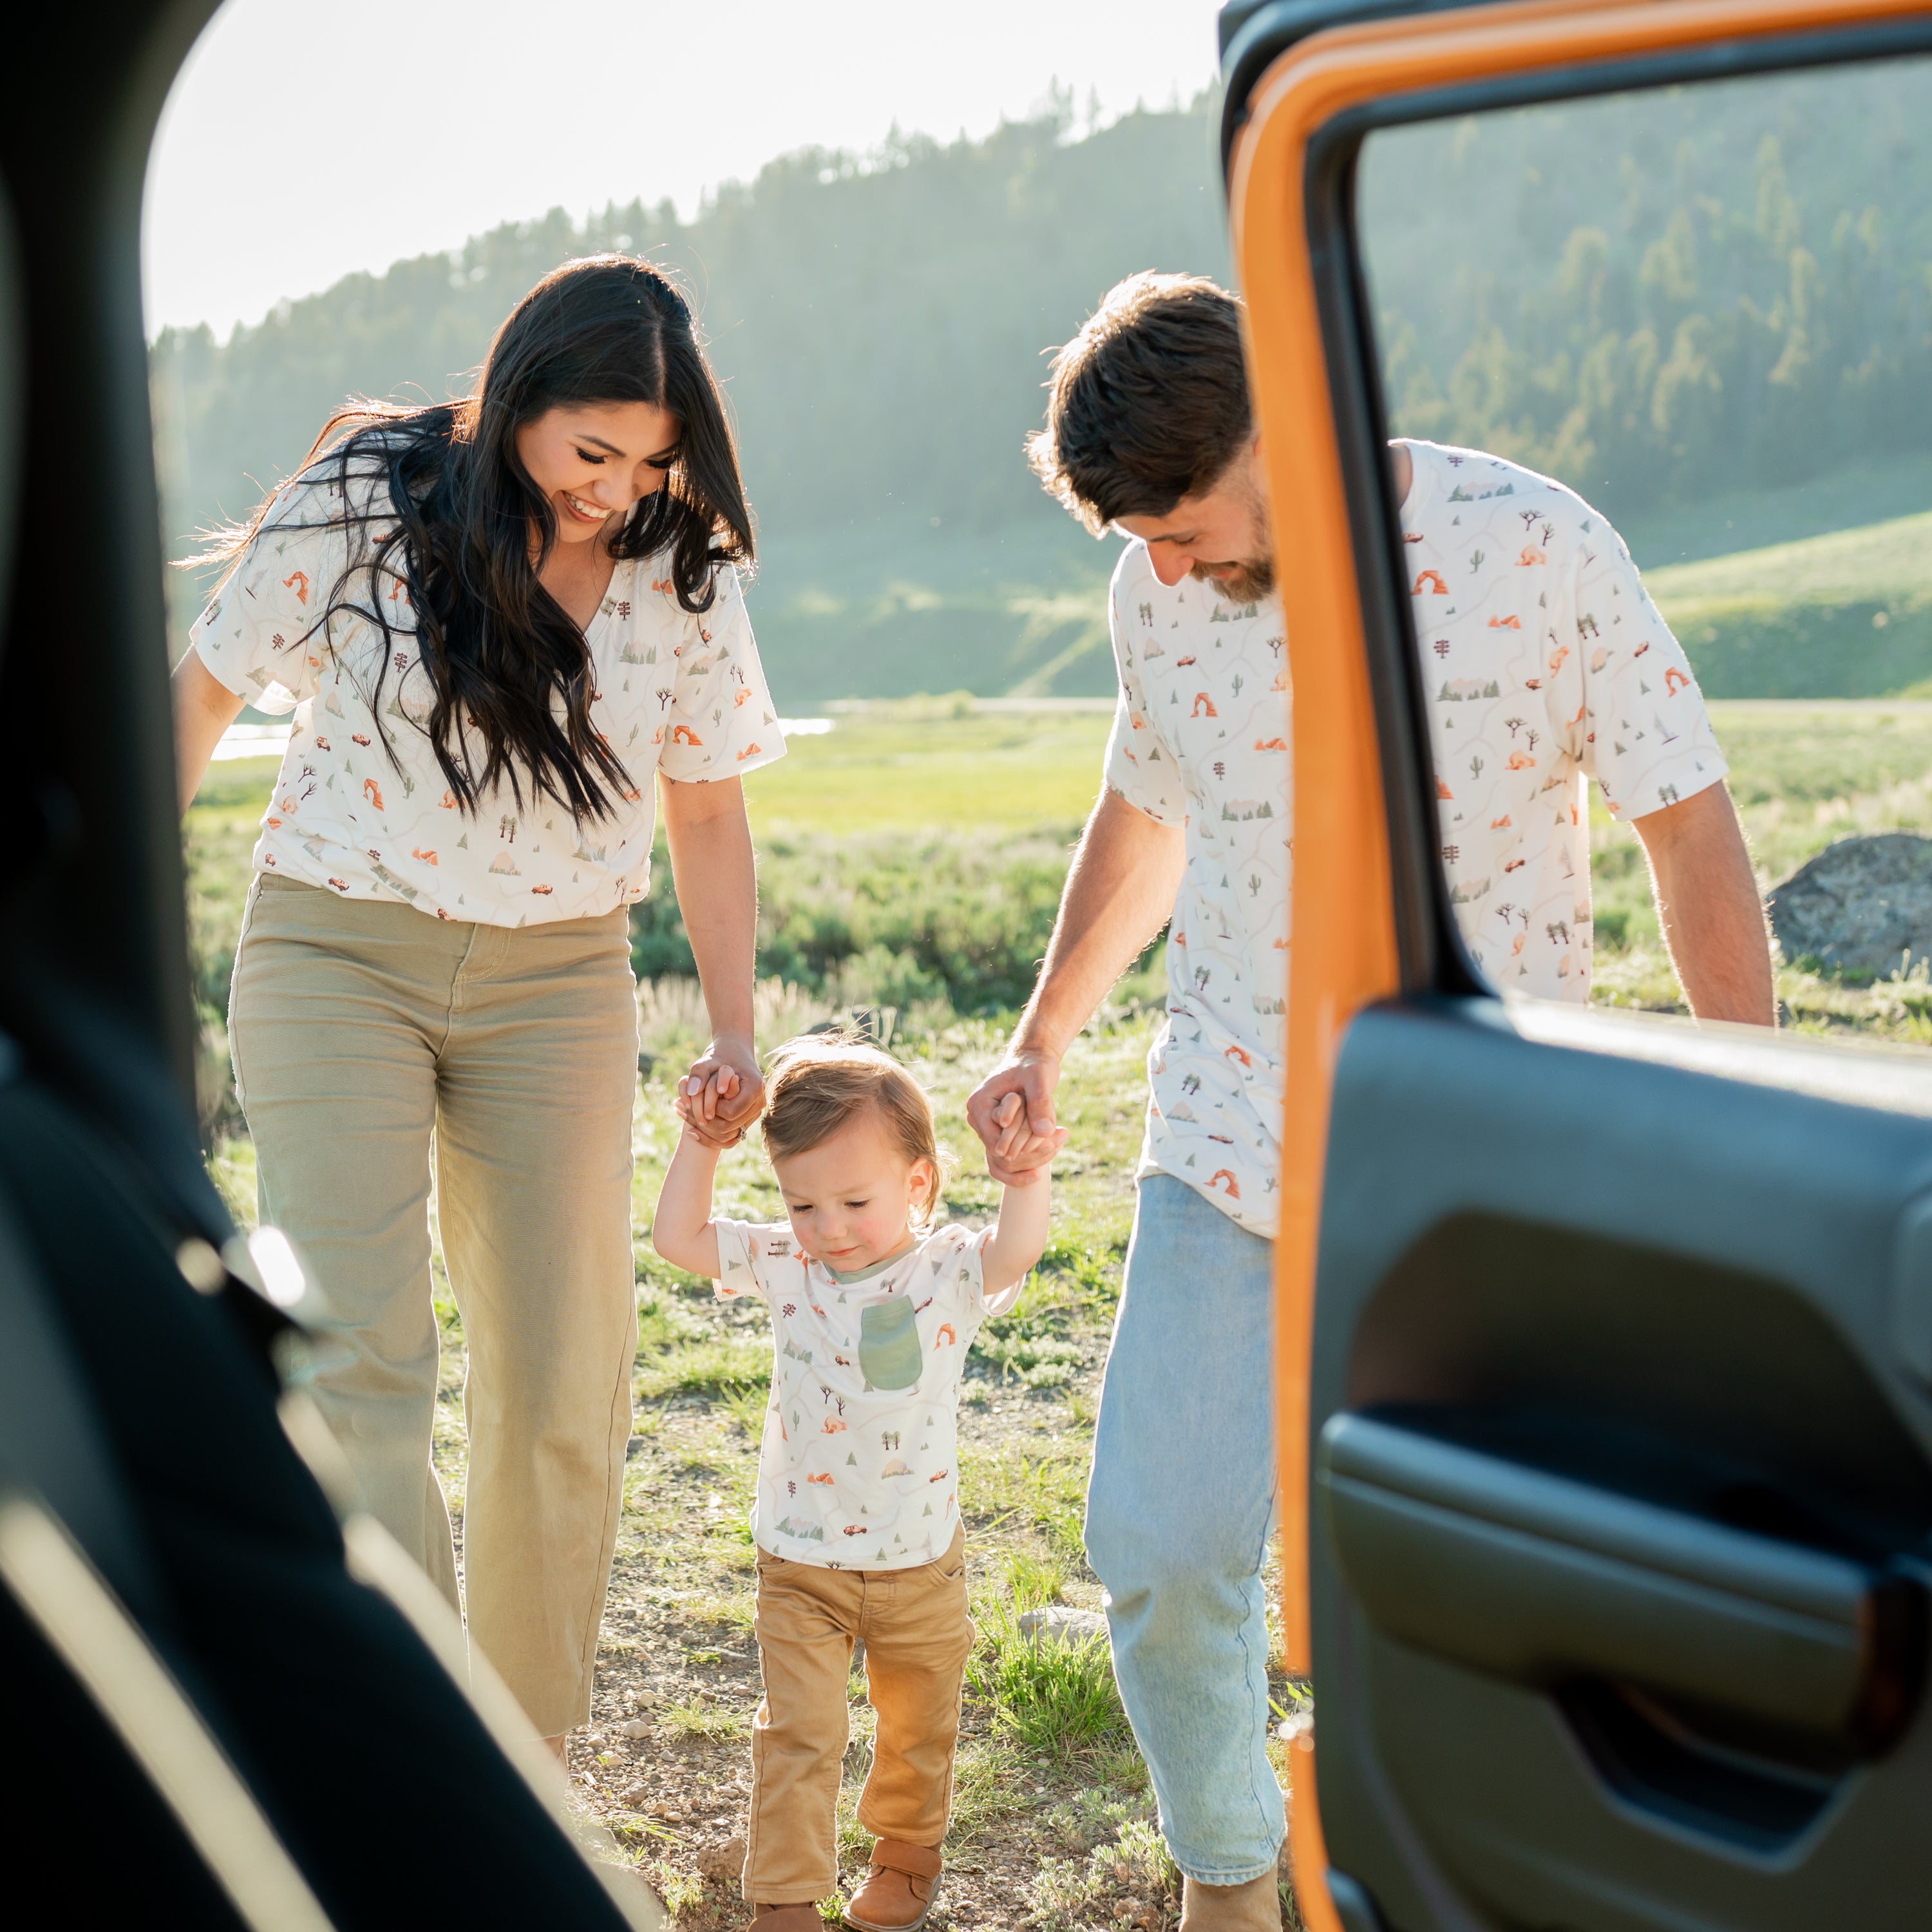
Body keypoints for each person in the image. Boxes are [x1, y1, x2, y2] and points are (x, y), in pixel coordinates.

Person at [967, 272, 1774, 1929]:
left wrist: (1737, 1110)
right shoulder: (1156, 591)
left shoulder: (1535, 546)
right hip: (1225, 1124)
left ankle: (1468, 1867)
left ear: (1277, 426)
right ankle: (1231, 1874)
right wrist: (1047, 1034)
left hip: (1475, 1146)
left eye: (1183, 522)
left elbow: (1685, 825)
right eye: (1143, 542)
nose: (1165, 567)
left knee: (1469, 1568)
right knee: (1163, 1548)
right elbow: (1147, 811)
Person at [171, 256, 782, 1756]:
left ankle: (524, 1776)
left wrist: (732, 1026)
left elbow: (705, 808)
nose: (616, 489)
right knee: (361, 1360)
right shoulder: (368, 493)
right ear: (517, 401)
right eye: (592, 452)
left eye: (651, 460)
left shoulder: (682, 562)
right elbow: (194, 700)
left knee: (563, 1386)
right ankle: (402, 1749)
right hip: (335, 956)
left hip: (558, 979)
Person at [650, 1036, 1061, 1932]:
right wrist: (704, 1143)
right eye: (802, 1202)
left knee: (917, 1728)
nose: (829, 1226)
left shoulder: (947, 1268)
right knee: (797, 1734)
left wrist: (1024, 1172)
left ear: (918, 1184)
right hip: (801, 1558)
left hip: (918, 1556)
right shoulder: (787, 1264)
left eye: (854, 1201)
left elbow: (1019, 1247)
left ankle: (906, 1856)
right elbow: (676, 1237)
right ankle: (788, 1896)